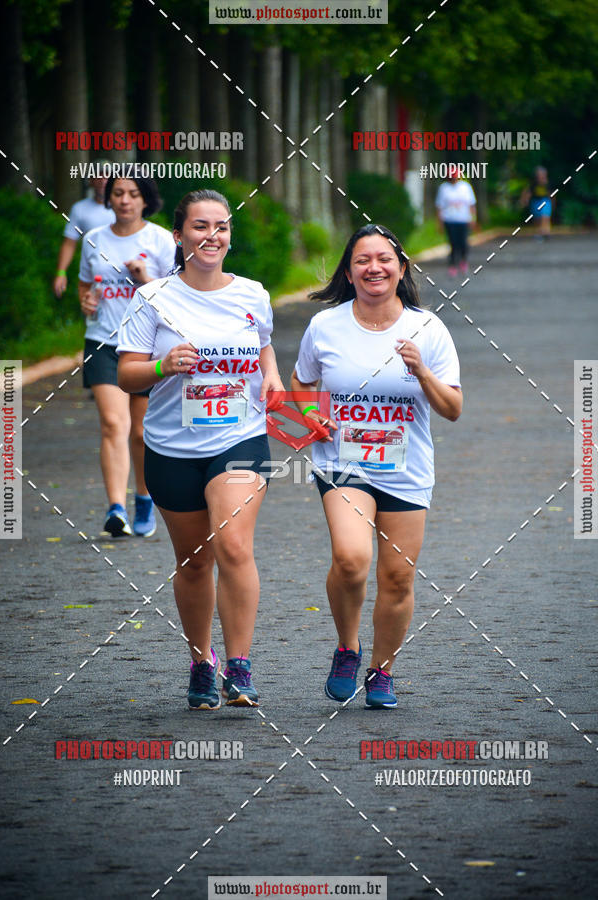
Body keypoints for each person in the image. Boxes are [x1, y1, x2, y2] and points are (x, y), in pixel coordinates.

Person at [117, 189, 284, 710]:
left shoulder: (252, 294)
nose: (212, 236)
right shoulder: (153, 299)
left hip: (239, 438)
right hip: (171, 447)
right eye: (200, 226)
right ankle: (201, 662)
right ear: (179, 235)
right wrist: (164, 366)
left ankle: (239, 667)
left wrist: (273, 379)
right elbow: (127, 373)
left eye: (222, 227)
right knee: (193, 563)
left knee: (232, 544)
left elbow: (263, 348)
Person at [291, 224, 462, 709]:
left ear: (401, 268)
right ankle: (347, 647)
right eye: (363, 259)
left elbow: (452, 408)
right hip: (343, 463)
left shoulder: (428, 329)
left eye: (384, 258)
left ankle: (381, 671)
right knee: (351, 559)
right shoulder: (326, 326)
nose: (374, 267)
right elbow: (301, 383)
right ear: (349, 271)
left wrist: (422, 371)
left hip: (406, 470)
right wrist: (308, 414)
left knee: (398, 578)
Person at [78, 175, 175, 537]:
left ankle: (144, 500)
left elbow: (177, 296)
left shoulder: (161, 240)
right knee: (112, 424)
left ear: (145, 200)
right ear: (108, 198)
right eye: (118, 193)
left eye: (133, 194)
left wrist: (145, 278)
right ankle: (115, 508)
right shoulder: (93, 240)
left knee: (141, 431)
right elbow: (85, 287)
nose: (124, 200)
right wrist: (85, 301)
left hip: (148, 345)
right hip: (103, 341)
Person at [53, 168, 115, 297]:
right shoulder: (79, 208)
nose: (103, 181)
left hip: (122, 273)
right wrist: (61, 273)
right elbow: (69, 243)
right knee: (91, 311)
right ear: (91, 181)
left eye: (107, 176)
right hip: (92, 275)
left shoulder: (124, 206)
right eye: (98, 176)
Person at [435, 165, 477, 276]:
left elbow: (471, 204)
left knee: (463, 242)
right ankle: (453, 264)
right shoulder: (444, 188)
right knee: (453, 243)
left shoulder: (465, 187)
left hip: (463, 219)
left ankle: (463, 260)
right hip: (450, 219)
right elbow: (439, 206)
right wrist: (439, 223)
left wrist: (473, 219)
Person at [521, 166, 553, 239]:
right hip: (536, 201)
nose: (541, 176)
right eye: (539, 174)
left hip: (545, 201)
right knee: (537, 218)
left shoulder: (548, 183)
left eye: (542, 174)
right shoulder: (533, 183)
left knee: (545, 216)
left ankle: (546, 232)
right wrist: (525, 200)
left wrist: (552, 203)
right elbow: (528, 192)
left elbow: (551, 194)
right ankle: (539, 232)